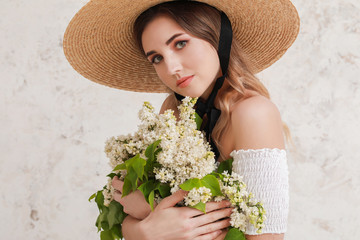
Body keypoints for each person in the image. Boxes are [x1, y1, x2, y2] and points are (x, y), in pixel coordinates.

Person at [63, 0, 300, 239]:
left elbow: (266, 237)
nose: (172, 67)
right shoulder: (173, 110)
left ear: (218, 37)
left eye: (180, 43)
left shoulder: (254, 113)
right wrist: (145, 231)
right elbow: (127, 215)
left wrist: (151, 210)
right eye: (156, 58)